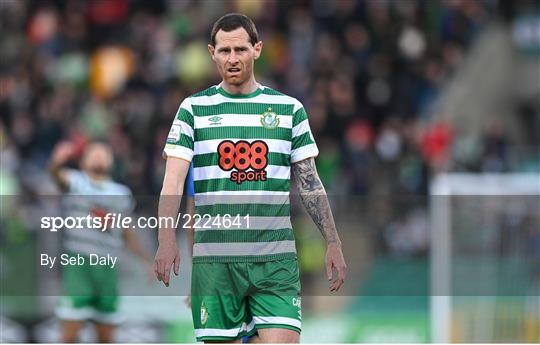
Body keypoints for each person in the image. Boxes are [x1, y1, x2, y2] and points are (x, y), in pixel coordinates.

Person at [154, 13, 346, 343]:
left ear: (257, 49)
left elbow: (310, 182)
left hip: (275, 261)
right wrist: (166, 239)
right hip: (216, 263)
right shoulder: (193, 110)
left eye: (241, 50)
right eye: (225, 51)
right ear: (212, 52)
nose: (233, 59)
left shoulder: (289, 110)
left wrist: (333, 241)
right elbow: (173, 182)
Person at [49, 141, 152, 343]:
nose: (99, 156)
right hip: (79, 264)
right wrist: (56, 162)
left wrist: (147, 261)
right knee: (70, 332)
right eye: (94, 153)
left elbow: (127, 232)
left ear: (112, 161)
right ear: (83, 161)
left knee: (106, 335)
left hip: (107, 267)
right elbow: (56, 176)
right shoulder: (76, 182)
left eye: (104, 153)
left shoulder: (122, 194)